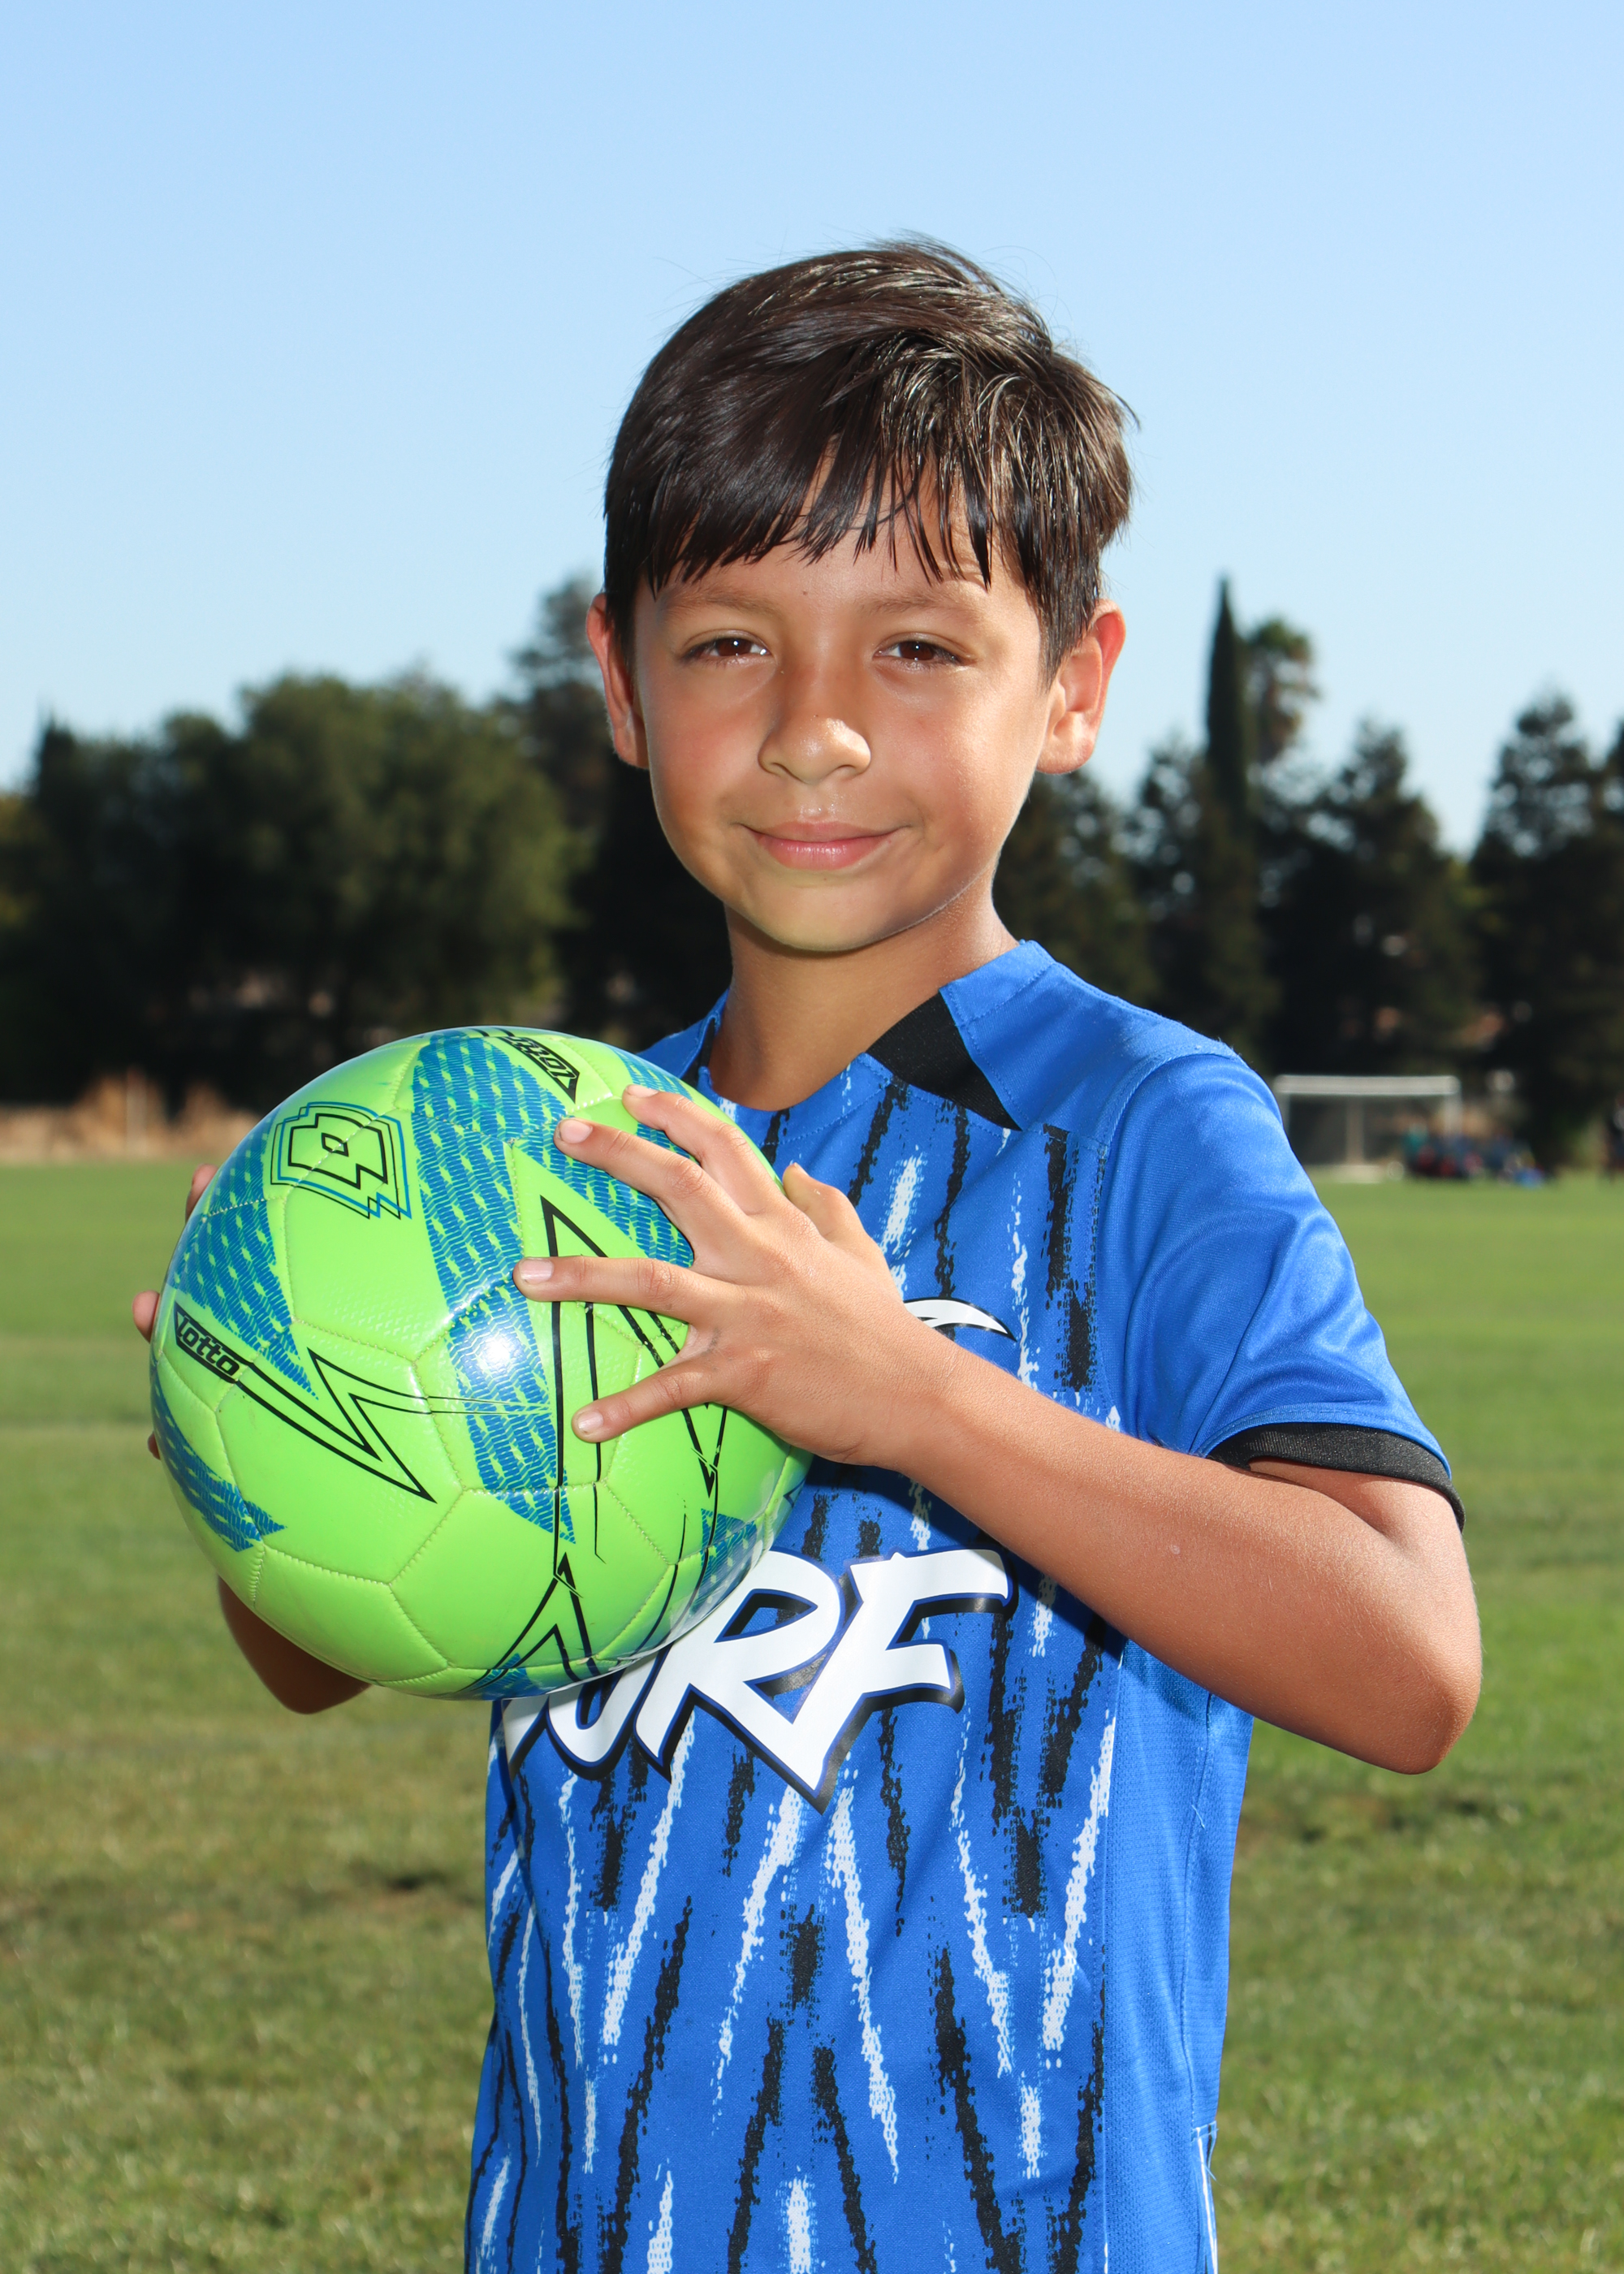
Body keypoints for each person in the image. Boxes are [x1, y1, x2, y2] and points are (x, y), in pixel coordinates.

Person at [136, 245, 1479, 2272]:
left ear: (1075, 685)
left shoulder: (1139, 1123)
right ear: (620, 678)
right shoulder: (564, 1152)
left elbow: (1406, 1659)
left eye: (918, 646)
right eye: (731, 643)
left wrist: (916, 1397)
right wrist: (278, 1406)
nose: (815, 728)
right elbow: (328, 1640)